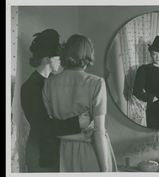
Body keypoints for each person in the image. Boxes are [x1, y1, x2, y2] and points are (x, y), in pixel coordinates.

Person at [42, 34, 117, 172]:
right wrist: (106, 171)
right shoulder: (96, 83)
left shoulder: (49, 83)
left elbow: (50, 127)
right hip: (90, 151)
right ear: (88, 55)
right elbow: (99, 132)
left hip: (61, 153)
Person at [21, 29, 90, 172]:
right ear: (48, 58)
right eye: (59, 57)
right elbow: (43, 127)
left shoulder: (52, 82)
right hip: (41, 156)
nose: (62, 61)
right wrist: (77, 122)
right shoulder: (30, 87)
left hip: (56, 153)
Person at [133, 36, 159, 129]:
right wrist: (151, 98)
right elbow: (136, 91)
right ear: (150, 54)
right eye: (155, 54)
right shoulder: (144, 69)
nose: (157, 57)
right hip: (154, 109)